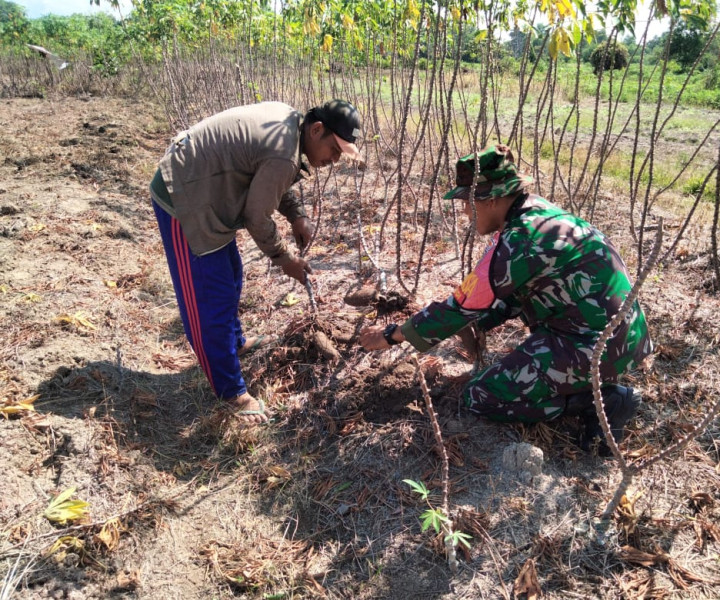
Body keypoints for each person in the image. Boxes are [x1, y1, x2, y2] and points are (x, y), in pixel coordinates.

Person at [359, 145, 652, 451]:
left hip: (595, 345)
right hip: (624, 336)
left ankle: (601, 401)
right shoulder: (539, 216)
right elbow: (513, 294)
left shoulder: (520, 239)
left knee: (482, 396)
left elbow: (462, 304)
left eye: (467, 202)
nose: (465, 213)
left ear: (492, 199)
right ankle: (589, 385)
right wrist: (480, 323)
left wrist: (394, 336)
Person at [150, 99, 363, 423]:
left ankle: (233, 342)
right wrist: (284, 259)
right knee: (210, 297)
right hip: (183, 195)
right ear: (317, 129)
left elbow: (268, 177)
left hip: (209, 192)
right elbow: (257, 216)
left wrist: (296, 215)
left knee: (231, 275)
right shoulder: (283, 149)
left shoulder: (289, 126)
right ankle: (230, 392)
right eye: (334, 150)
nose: (334, 160)